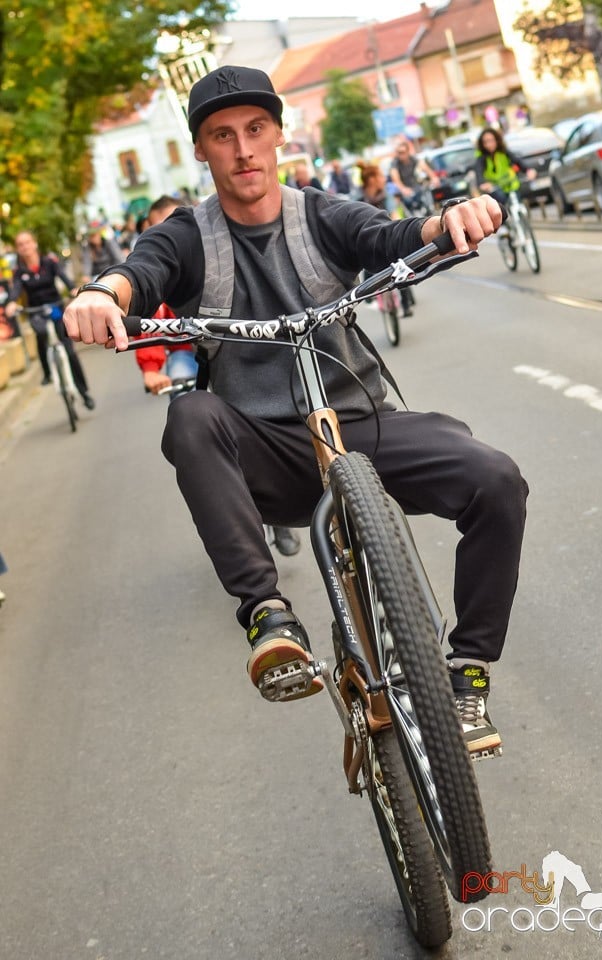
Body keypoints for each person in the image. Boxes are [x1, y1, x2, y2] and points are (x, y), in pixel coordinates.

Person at [64, 64, 528, 755]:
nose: (243, 150)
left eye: (256, 130)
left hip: (362, 425)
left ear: (279, 135)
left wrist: (450, 218)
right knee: (190, 416)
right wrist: (104, 293)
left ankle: (467, 673)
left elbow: (392, 237)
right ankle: (270, 618)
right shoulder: (189, 236)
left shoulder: (322, 214)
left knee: (497, 479)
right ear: (200, 149)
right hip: (267, 451)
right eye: (223, 136)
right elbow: (140, 270)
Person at [136, 194, 302, 559]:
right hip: (186, 356)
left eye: (178, 224)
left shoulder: (219, 257)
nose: (171, 234)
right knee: (189, 414)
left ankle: (278, 516)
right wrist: (151, 369)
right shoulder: (158, 270)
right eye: (161, 228)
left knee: (261, 419)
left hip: (234, 351)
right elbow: (147, 326)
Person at [5, 231, 95, 408]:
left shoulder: (49, 263)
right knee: (40, 333)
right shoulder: (19, 271)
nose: (25, 247)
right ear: (18, 249)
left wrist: (73, 290)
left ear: (34, 243)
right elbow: (15, 289)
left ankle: (84, 393)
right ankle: (47, 372)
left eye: (27, 242)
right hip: (36, 310)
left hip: (55, 306)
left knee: (69, 352)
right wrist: (12, 302)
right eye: (20, 244)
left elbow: (64, 278)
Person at [357, 162, 414, 318]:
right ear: (372, 180)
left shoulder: (386, 195)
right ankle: (367, 294)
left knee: (401, 265)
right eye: (381, 176)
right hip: (371, 240)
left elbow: (394, 214)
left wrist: (396, 225)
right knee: (367, 260)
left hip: (388, 236)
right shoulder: (359, 199)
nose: (384, 179)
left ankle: (406, 303)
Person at [474, 127, 536, 209]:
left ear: (497, 140)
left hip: (511, 184)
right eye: (486, 142)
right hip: (496, 188)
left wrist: (528, 170)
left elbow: (517, 161)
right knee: (501, 206)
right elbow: (479, 172)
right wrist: (482, 183)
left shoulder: (504, 152)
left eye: (491, 140)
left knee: (519, 202)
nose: (489, 144)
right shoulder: (481, 158)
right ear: (482, 144)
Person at [389, 140, 440, 215]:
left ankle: (432, 212)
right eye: (398, 153)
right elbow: (395, 177)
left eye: (402, 152)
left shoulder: (413, 159)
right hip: (405, 191)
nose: (400, 155)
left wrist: (434, 177)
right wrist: (403, 189)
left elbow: (424, 166)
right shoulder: (395, 163)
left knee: (428, 197)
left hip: (416, 188)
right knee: (408, 210)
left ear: (407, 151)